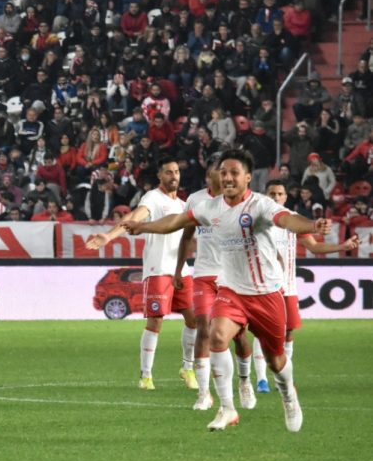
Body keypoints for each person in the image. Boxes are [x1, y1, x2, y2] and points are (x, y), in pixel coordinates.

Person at [125, 149, 331, 432]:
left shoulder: (261, 205)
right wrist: (143, 226)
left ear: (248, 177)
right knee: (216, 336)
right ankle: (227, 408)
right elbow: (176, 222)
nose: (228, 177)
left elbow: (287, 220)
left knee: (276, 360)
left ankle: (288, 395)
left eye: (234, 173)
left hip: (266, 294)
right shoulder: (211, 207)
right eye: (224, 173)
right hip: (231, 290)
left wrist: (312, 226)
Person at [85, 159, 197, 391]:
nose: (174, 176)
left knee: (194, 319)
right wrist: (109, 236)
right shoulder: (152, 199)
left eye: (176, 171)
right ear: (160, 176)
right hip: (157, 269)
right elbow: (134, 218)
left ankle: (187, 367)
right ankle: (146, 376)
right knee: (155, 321)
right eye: (168, 172)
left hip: (181, 269)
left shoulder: (185, 205)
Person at [250, 179, 360, 393]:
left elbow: (314, 245)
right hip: (264, 287)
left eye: (279, 193)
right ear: (265, 195)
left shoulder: (292, 221)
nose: (275, 197)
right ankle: (261, 379)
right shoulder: (258, 219)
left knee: (288, 333)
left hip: (289, 287)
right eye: (271, 193)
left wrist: (342, 246)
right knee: (264, 333)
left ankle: (283, 378)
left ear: (286, 196)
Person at [173, 154, 254, 411]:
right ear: (210, 175)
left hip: (232, 276)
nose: (221, 177)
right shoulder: (196, 201)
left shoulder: (241, 201)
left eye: (225, 173)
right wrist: (178, 270)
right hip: (204, 274)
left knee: (239, 335)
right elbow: (186, 236)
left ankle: (244, 381)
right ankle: (205, 393)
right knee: (204, 329)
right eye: (215, 173)